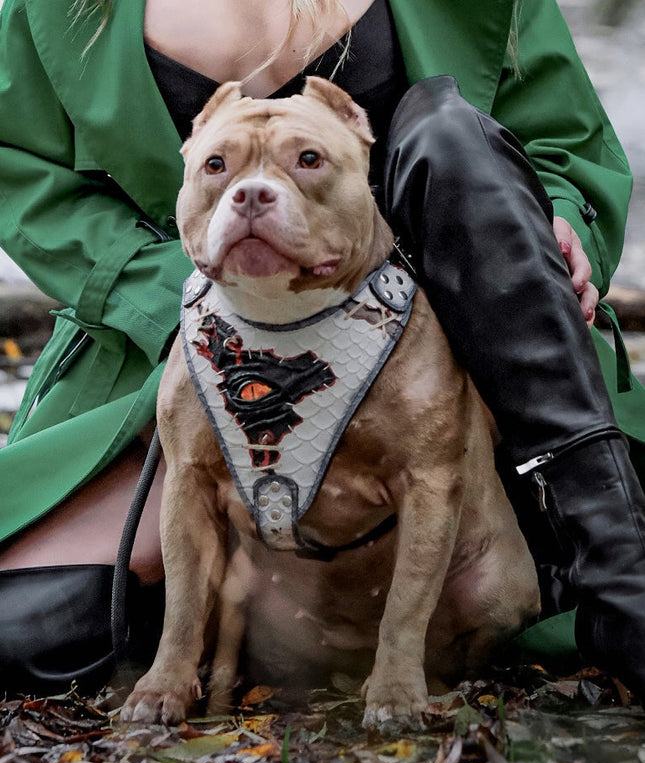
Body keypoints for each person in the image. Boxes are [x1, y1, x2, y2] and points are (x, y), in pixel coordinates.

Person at [1, 0, 645, 698]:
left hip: (469, 343)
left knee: (450, 129)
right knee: (31, 631)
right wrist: (195, 295)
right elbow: (35, 186)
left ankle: (612, 567)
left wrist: (556, 210)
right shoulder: (51, 7)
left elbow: (562, 148)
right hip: (187, 350)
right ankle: (268, 622)